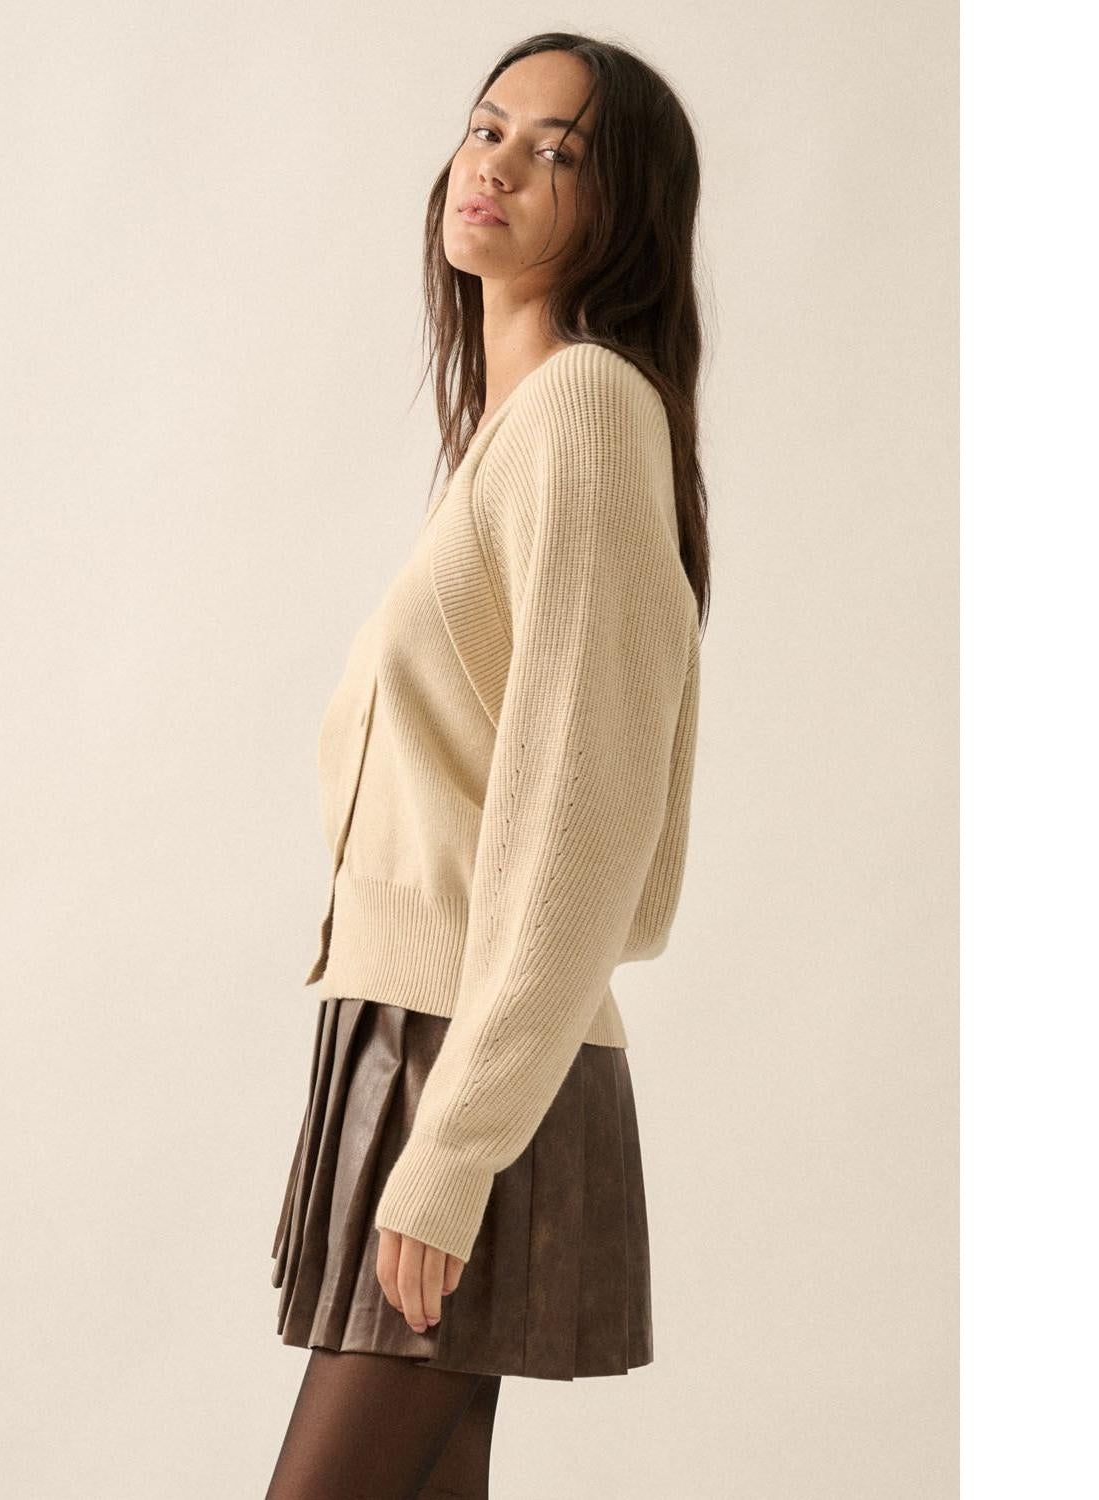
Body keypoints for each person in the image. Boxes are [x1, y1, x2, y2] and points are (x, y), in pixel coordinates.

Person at [267, 31, 711, 1499]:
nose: (499, 163)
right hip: (422, 1039)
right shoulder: (512, 435)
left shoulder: (585, 411)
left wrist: (457, 1141)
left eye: (557, 150)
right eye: (487, 126)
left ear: (622, 210)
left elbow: (590, 820)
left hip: (470, 1054)